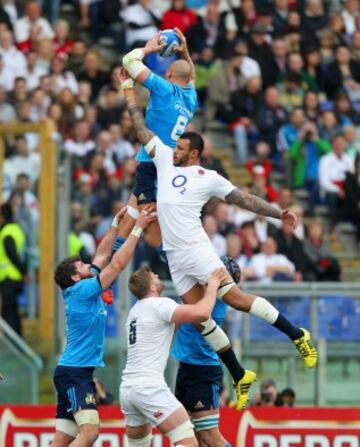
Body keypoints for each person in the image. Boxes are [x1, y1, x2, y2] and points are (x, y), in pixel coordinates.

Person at [120, 72, 318, 408]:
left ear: (194, 153)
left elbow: (243, 199)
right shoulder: (165, 160)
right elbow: (140, 129)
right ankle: (241, 375)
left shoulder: (206, 177)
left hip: (196, 251)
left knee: (237, 299)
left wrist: (277, 213)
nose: (175, 148)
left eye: (181, 146)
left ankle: (297, 334)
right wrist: (128, 90)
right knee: (200, 318)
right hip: (176, 258)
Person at [51, 206, 155, 447]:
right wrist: (137, 228)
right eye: (82, 266)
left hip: (74, 372)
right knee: (90, 433)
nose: (88, 265)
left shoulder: (82, 287)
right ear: (76, 277)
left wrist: (115, 225)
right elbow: (116, 265)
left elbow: (101, 256)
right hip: (74, 374)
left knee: (62, 439)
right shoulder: (81, 290)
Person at [120, 266, 228, 447]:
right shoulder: (160, 304)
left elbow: (167, 328)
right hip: (149, 388)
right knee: (188, 442)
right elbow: (202, 313)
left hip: (128, 390)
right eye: (154, 275)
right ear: (152, 288)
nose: (158, 275)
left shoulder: (134, 312)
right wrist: (213, 286)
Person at [113, 28, 197, 254]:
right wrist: (185, 51)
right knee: (128, 220)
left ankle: (168, 254)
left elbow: (129, 60)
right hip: (169, 162)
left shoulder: (164, 88)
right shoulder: (191, 98)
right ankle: (104, 271)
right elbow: (191, 74)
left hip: (152, 162)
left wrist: (149, 48)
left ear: (169, 74)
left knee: (147, 220)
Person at [173, 256, 239, 447]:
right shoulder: (207, 294)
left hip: (202, 371)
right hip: (187, 367)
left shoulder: (214, 302)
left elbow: (200, 311)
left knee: (210, 437)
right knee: (192, 436)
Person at [0, 202, 26, 335]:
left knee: (9, 313)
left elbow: (12, 254)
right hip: (16, 278)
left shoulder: (6, 232)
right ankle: (18, 340)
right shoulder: (17, 229)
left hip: (8, 277)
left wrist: (23, 271)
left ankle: (14, 345)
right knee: (14, 312)